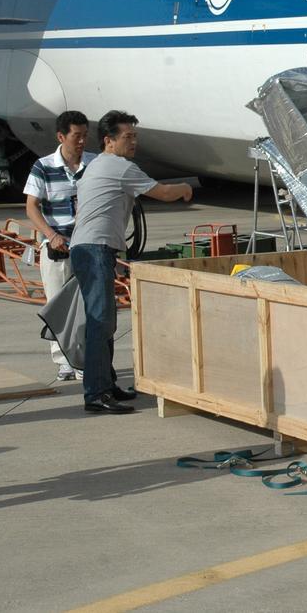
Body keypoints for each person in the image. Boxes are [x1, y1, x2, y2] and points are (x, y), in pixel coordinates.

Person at [70, 111, 193, 414]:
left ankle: (105, 384)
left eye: (135, 136)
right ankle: (96, 393)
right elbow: (162, 193)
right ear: (109, 141)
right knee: (100, 322)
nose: (134, 142)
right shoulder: (118, 166)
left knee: (105, 320)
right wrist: (184, 189)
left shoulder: (97, 164)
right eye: (128, 137)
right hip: (94, 248)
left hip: (92, 248)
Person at [24, 110, 96, 381]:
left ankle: (82, 359)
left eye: (85, 136)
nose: (81, 142)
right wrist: (50, 235)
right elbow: (31, 207)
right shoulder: (43, 166)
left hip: (88, 246)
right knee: (58, 304)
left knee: (87, 306)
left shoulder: (94, 163)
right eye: (76, 136)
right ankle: (64, 360)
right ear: (61, 136)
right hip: (57, 247)